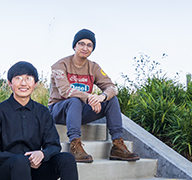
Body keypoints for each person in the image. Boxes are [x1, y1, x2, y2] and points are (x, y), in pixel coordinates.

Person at [48, 29, 139, 163]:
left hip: (80, 112)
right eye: (81, 43)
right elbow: (64, 91)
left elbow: (112, 88)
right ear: (74, 46)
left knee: (112, 99)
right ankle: (75, 144)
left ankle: (118, 145)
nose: (85, 48)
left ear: (92, 49)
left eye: (89, 45)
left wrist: (102, 97)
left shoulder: (94, 67)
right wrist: (89, 97)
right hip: (58, 110)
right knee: (74, 100)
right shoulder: (60, 65)